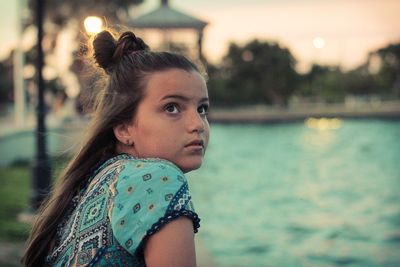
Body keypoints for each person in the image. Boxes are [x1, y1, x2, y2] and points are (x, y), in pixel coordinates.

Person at [22, 29, 210, 267]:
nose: (198, 124)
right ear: (124, 128)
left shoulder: (99, 178)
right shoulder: (157, 178)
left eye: (202, 109)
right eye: (172, 107)